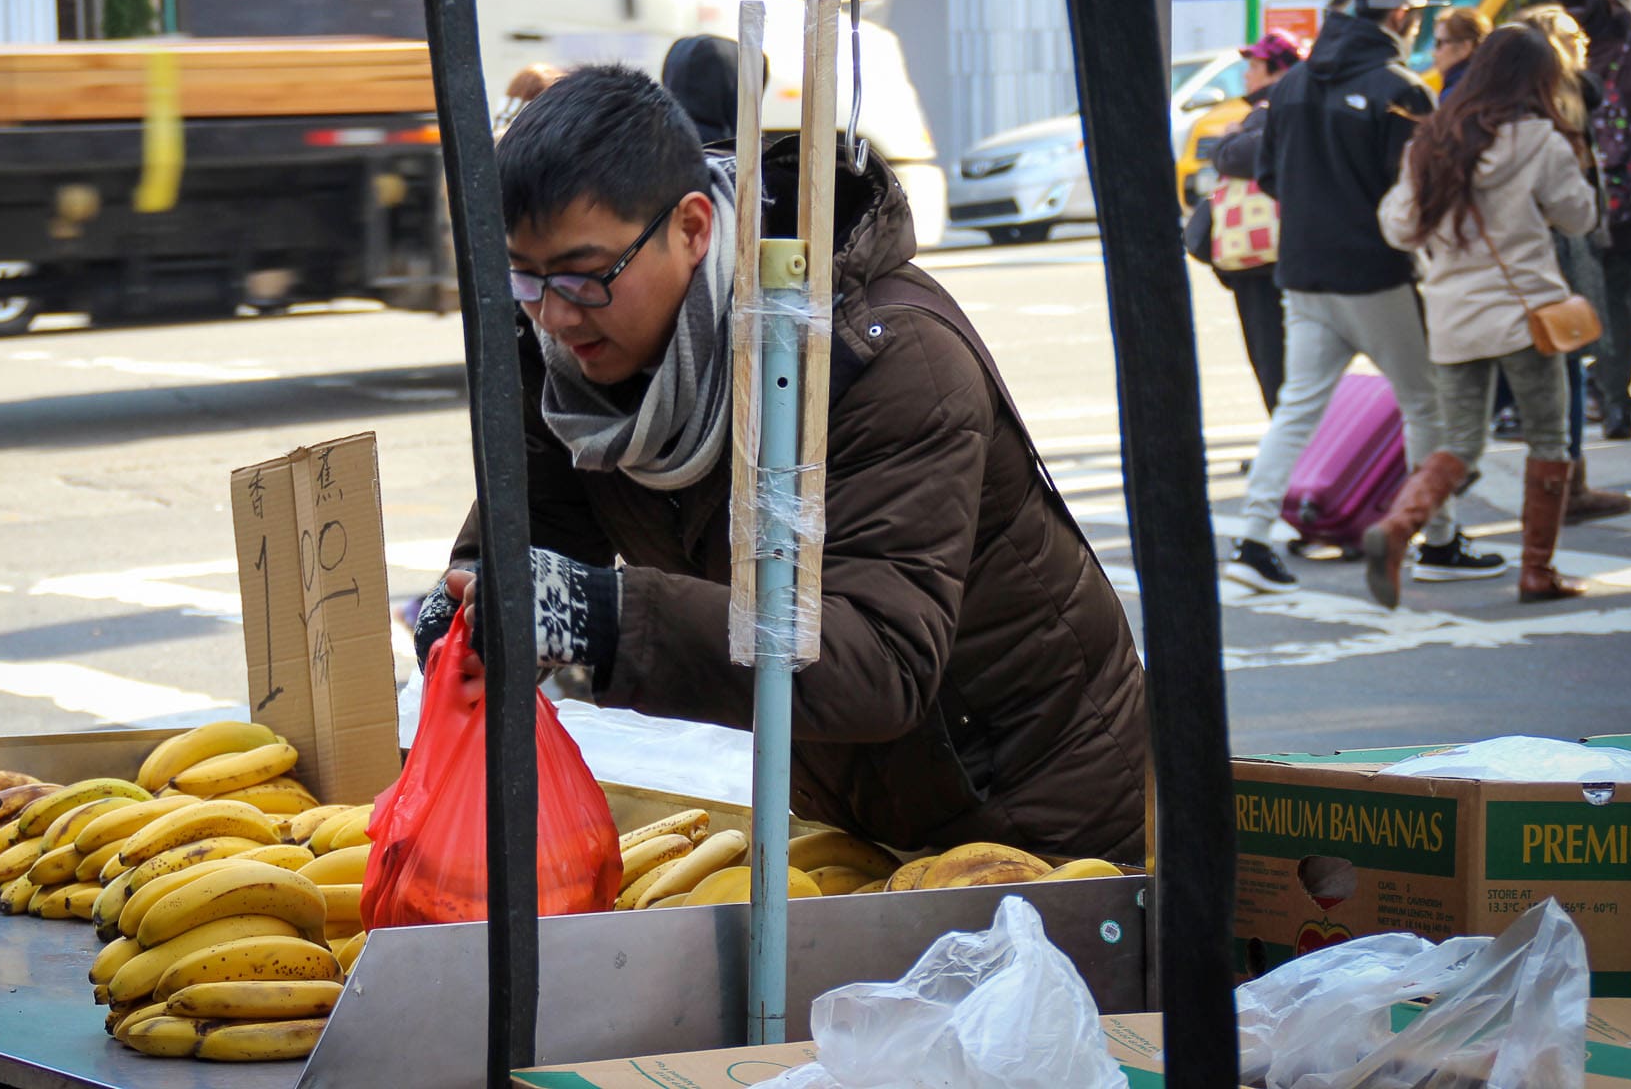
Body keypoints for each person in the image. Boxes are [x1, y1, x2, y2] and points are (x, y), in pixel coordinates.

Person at [414, 65, 1147, 861]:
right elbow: (540, 533)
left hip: (1041, 809)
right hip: (847, 798)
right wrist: (472, 595)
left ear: (692, 229)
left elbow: (880, 659)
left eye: (587, 276)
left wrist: (612, 618)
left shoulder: (886, 360)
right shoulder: (569, 363)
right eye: (525, 276)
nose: (554, 313)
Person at [1224, 0, 1506, 592]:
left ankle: (1252, 539)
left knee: (1296, 407)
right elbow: (1417, 192)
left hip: (1302, 271)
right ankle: (1438, 539)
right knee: (1422, 401)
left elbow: (1268, 174)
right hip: (1375, 273)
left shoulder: (1293, 83)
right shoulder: (1401, 88)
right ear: (1403, 16)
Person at [1368, 26, 1599, 605]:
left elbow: (1397, 226)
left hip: (1452, 316)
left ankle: (1398, 526)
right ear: (1538, 80)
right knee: (1548, 437)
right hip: (1527, 314)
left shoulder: (1431, 141)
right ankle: (1536, 572)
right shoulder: (1541, 140)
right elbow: (1580, 218)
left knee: (1462, 444)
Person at [1513, 4, 1631, 521]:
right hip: (1559, 246)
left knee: (1566, 362)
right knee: (1563, 362)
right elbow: (1574, 194)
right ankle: (1567, 485)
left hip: (1561, 243)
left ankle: (1569, 480)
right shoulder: (1551, 108)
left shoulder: (1561, 97)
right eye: (1570, 32)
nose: (1582, 37)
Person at [1556, 0, 1631, 441]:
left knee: (1610, 307)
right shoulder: (1630, 45)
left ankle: (1614, 407)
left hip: (1596, 202)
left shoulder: (1563, 51)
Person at [1205, 28, 1304, 413]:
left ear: (1278, 70)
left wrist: (1227, 143)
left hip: (1266, 256)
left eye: (1255, 66)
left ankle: (1289, 443)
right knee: (1285, 355)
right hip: (1280, 251)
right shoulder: (1285, 104)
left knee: (1272, 355)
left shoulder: (1276, 109)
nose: (1247, 75)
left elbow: (1242, 157)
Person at [1433, 6, 1492, 98]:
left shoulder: (1454, 95)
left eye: (1439, 43)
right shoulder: (1492, 82)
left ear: (1465, 47)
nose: (1433, 53)